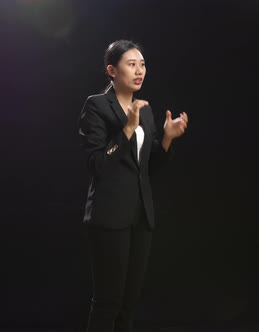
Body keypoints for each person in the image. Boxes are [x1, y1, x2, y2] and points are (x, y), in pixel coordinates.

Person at [78, 40, 188, 332]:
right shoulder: (97, 105)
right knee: (107, 303)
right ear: (111, 70)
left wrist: (166, 138)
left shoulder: (145, 110)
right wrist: (127, 129)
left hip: (140, 216)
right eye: (131, 64)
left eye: (142, 64)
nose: (139, 71)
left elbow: (147, 170)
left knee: (129, 304)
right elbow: (97, 164)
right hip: (108, 216)